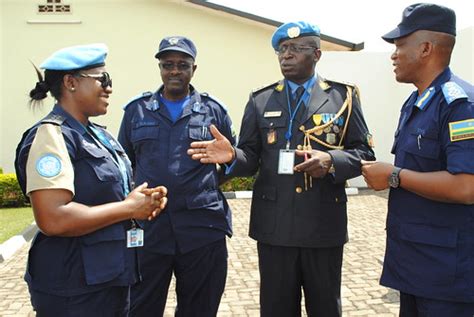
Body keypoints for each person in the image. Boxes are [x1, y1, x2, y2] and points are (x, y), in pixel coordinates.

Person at [188, 21, 375, 316]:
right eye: (282, 49)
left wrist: (330, 162)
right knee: (276, 308)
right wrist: (231, 156)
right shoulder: (261, 99)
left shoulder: (343, 97)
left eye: (296, 49)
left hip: (322, 224)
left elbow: (364, 153)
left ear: (316, 54)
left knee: (325, 307)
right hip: (275, 227)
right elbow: (250, 157)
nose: (286, 55)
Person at [14, 43, 168, 316]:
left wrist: (142, 203)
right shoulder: (53, 136)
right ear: (71, 82)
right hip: (73, 288)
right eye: (102, 79)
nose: (109, 88)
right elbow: (53, 218)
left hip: (110, 278)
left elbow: (108, 195)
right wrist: (128, 208)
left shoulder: (100, 136)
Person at [361, 3, 474, 316]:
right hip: (415, 267)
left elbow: (467, 187)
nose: (393, 55)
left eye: (399, 45)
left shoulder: (460, 105)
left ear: (426, 48)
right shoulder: (417, 102)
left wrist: (394, 175)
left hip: (447, 277)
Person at [117, 36, 236, 317]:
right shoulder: (137, 110)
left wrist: (204, 186)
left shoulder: (213, 111)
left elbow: (230, 160)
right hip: (150, 230)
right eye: (167, 64)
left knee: (200, 308)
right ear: (159, 68)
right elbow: (124, 164)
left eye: (182, 65)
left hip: (202, 229)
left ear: (194, 69)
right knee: (141, 307)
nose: (174, 71)